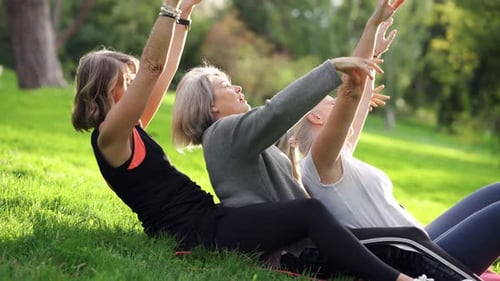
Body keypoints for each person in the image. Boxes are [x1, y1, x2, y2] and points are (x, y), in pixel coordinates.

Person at [71, 1, 428, 281]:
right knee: (309, 212)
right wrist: (168, 6)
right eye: (127, 80)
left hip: (208, 220)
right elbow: (151, 68)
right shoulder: (111, 138)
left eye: (133, 78)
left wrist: (185, 14)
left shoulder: (130, 129)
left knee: (344, 224)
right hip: (196, 232)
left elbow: (161, 74)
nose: (137, 85)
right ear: (107, 88)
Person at [282, 7, 500, 280]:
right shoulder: (318, 164)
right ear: (314, 115)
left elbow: (359, 94)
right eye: (330, 102)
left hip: (422, 240)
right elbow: (351, 90)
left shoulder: (340, 156)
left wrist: (374, 55)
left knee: (496, 192)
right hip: (420, 262)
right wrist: (371, 26)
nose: (337, 103)